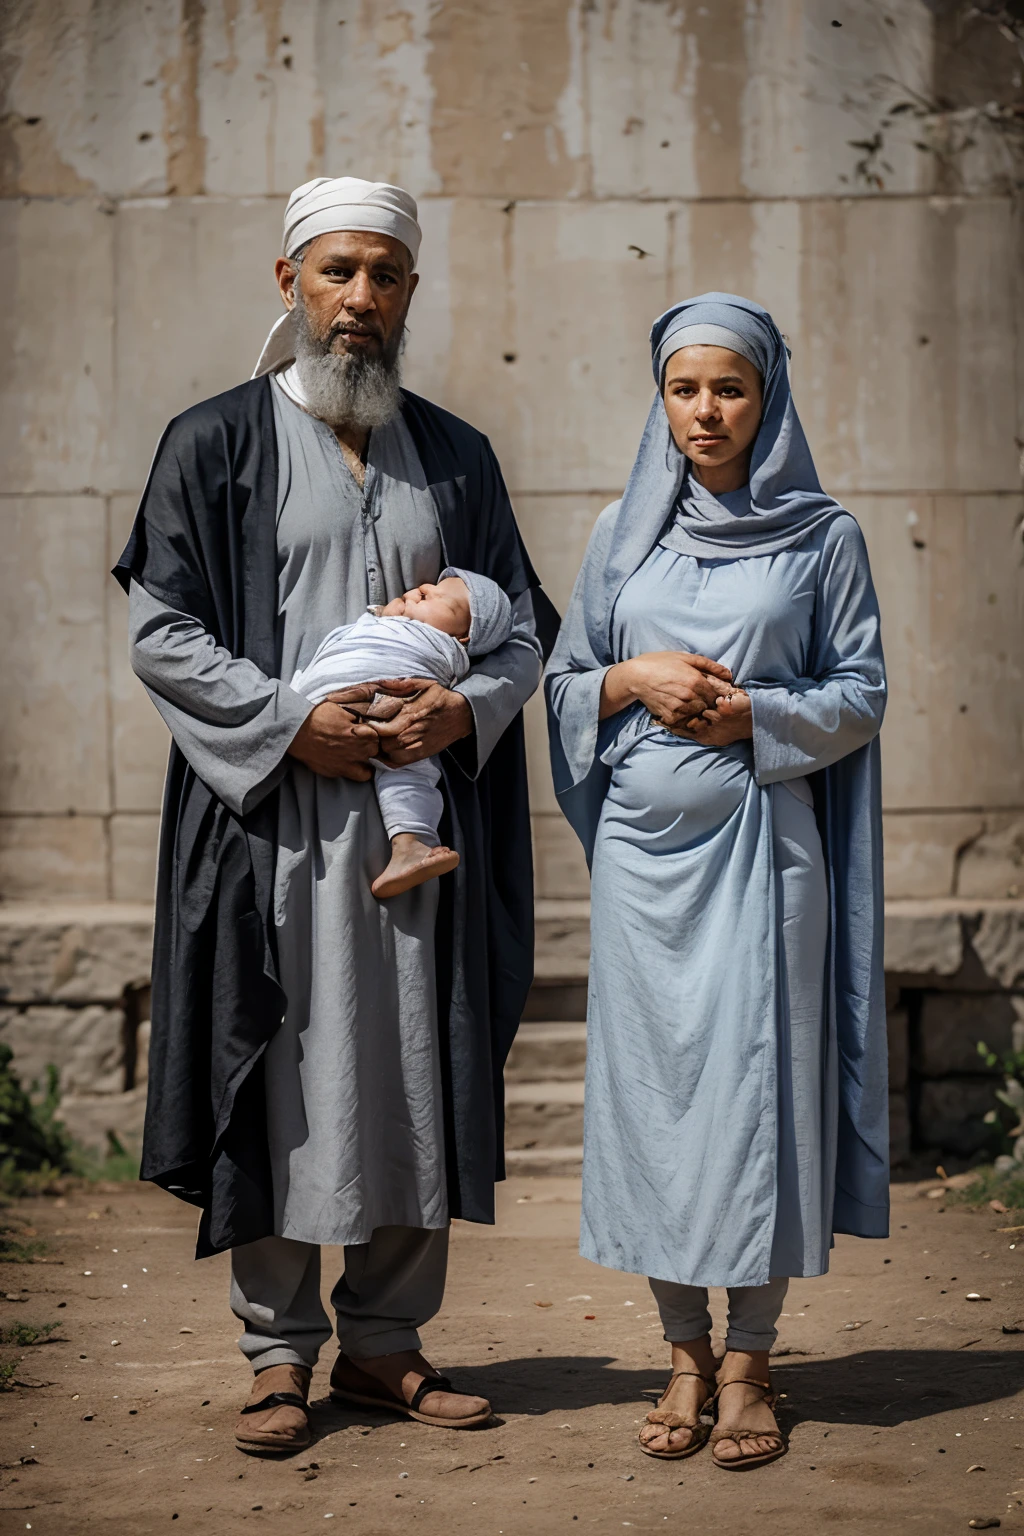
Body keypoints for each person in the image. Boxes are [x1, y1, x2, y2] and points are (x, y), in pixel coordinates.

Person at [114, 175, 556, 1453]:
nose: (361, 299)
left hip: (419, 838)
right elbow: (164, 635)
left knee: (418, 1067)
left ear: (411, 292)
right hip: (272, 828)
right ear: (290, 283)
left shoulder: (458, 453)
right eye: (337, 273)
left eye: (385, 275)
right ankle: (276, 1353)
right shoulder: (215, 442)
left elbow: (523, 626)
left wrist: (462, 713)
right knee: (275, 1067)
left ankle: (385, 1347)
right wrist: (284, 723)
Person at [545, 294, 888, 1471]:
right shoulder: (618, 535)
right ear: (660, 398)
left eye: (728, 388)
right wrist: (631, 678)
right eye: (684, 389)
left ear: (767, 395)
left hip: (763, 857)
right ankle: (679, 1348)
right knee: (659, 1102)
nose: (706, 411)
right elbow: (561, 683)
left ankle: (748, 1360)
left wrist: (757, 714)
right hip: (644, 866)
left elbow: (862, 690)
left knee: (755, 1099)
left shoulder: (820, 537)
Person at [290, 568, 513, 897]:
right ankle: (411, 842)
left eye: (444, 604)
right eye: (430, 587)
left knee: (408, 756)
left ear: (462, 639)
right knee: (409, 768)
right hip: (318, 697)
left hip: (357, 696)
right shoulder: (381, 623)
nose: (424, 591)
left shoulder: (443, 648)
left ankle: (410, 846)